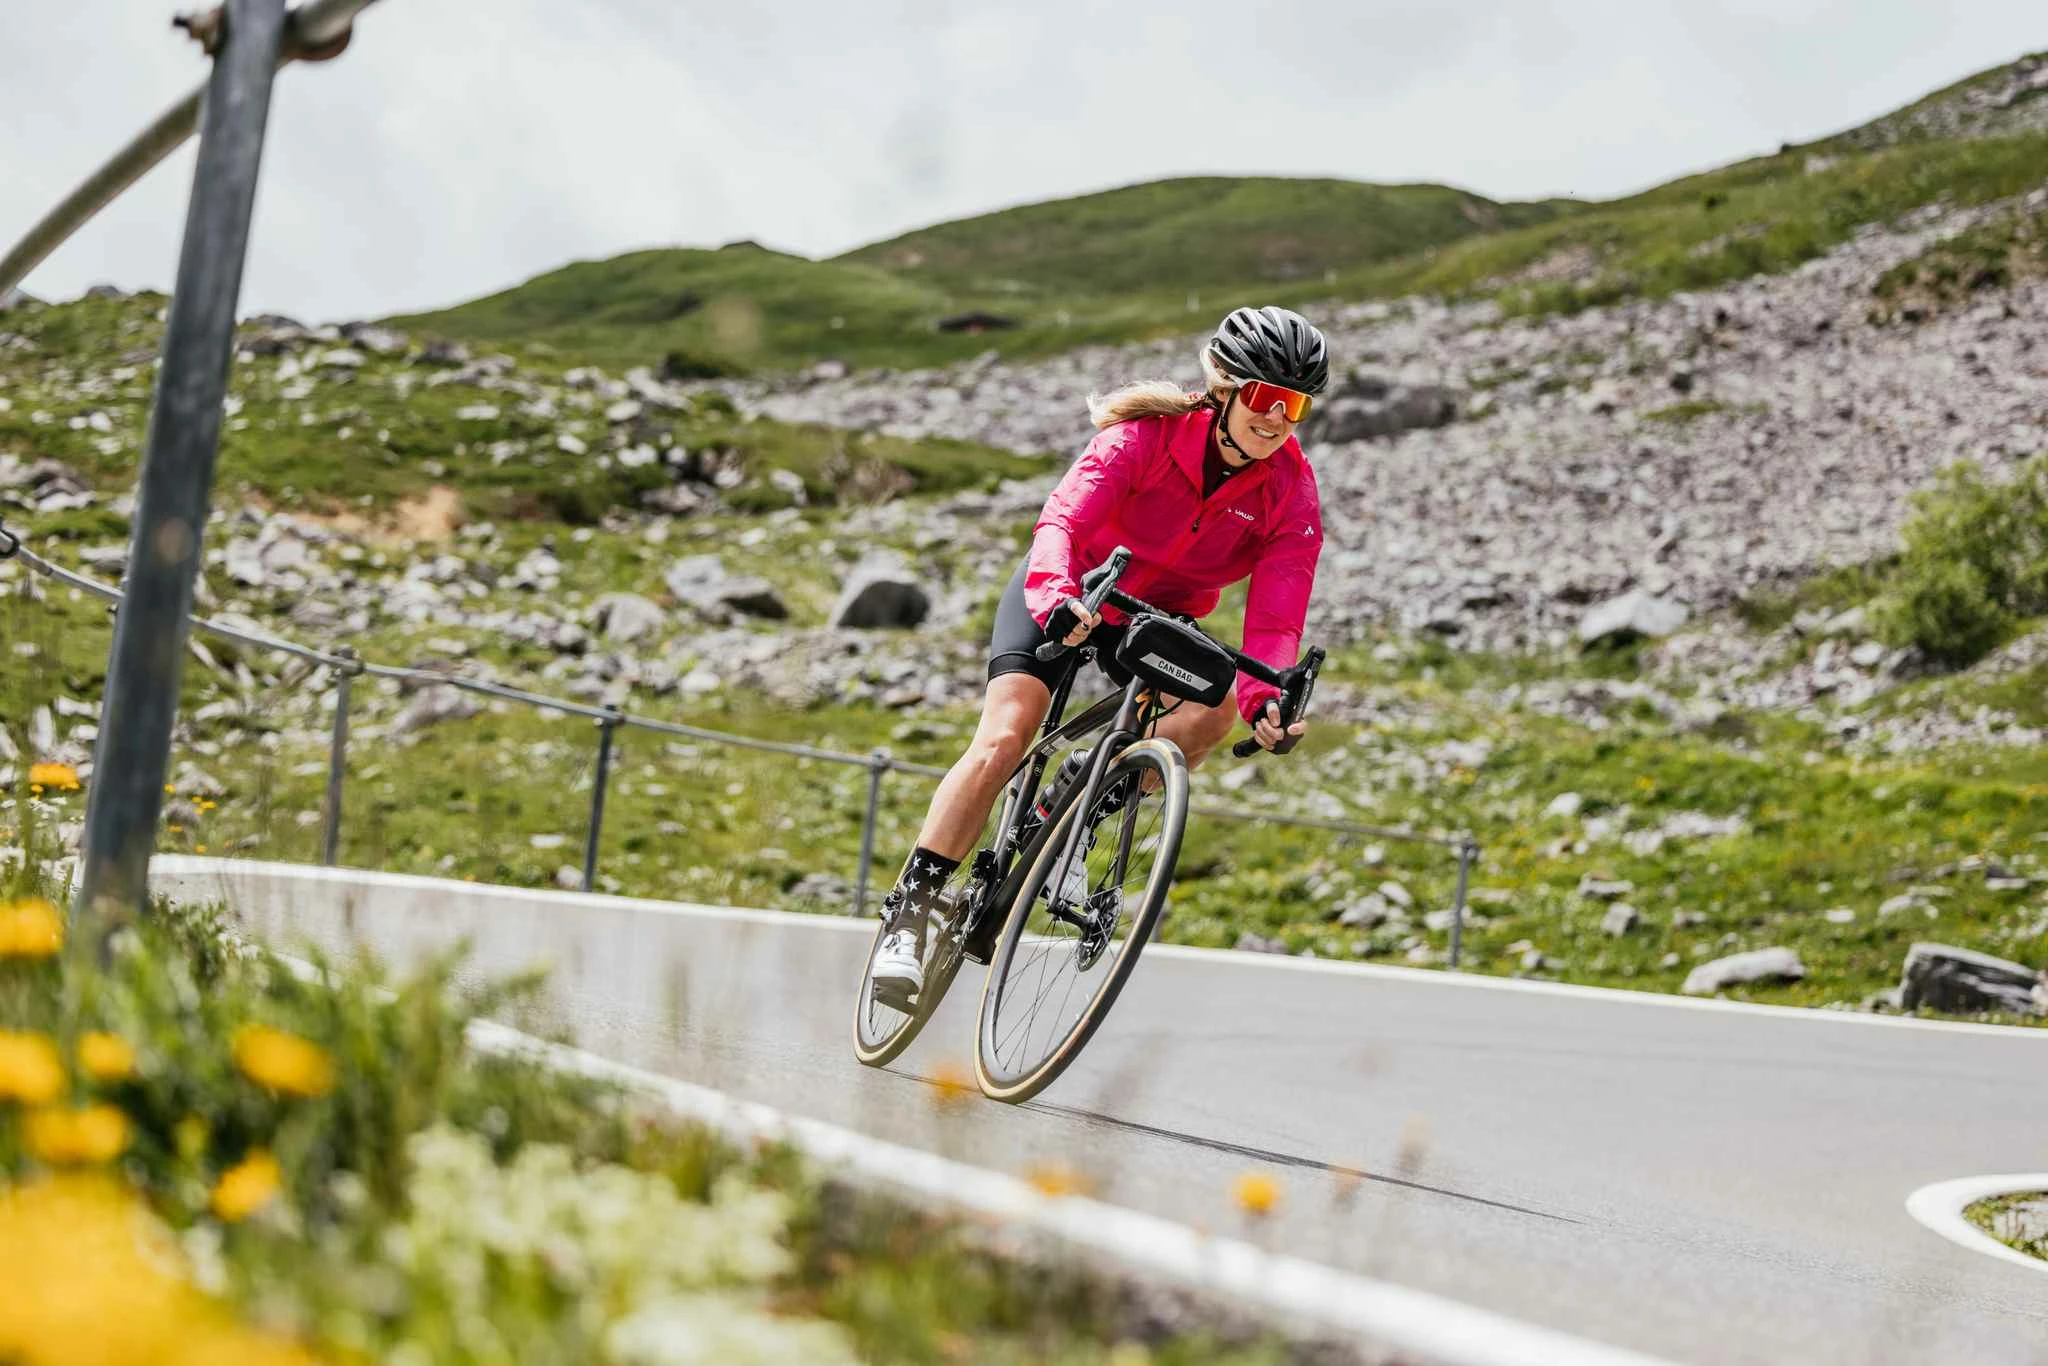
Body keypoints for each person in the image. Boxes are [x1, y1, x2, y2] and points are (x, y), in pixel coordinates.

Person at [871, 305, 1330, 995]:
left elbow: (1276, 617)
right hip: (1074, 587)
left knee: (1213, 711)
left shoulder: (1290, 490)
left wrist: (1268, 697)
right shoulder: (1144, 437)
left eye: (1293, 405)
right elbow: (1061, 520)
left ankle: (1077, 803)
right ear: (1227, 388)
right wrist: (1058, 595)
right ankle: (909, 914)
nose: (1275, 419)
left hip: (1156, 616)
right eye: (1265, 397)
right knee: (1005, 738)